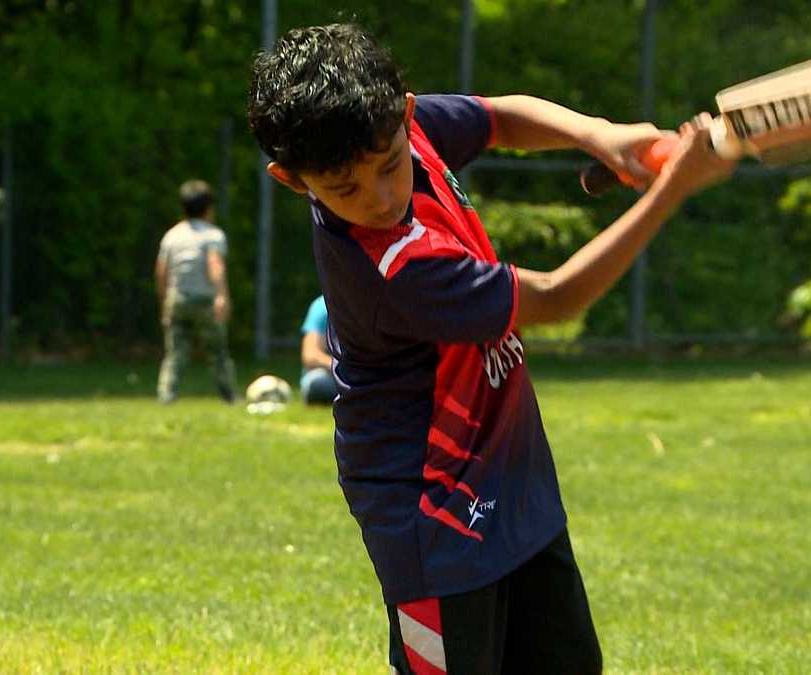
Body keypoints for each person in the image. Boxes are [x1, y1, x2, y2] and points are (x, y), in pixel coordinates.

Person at [248, 23, 736, 673]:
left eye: (391, 166)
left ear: (408, 114)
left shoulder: (402, 129)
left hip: (515, 486)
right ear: (291, 179)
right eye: (345, 190)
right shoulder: (392, 268)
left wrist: (600, 134)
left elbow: (499, 116)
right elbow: (557, 296)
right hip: (432, 525)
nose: (382, 198)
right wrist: (673, 188)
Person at [155, 179, 237, 404]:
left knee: (175, 352)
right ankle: (228, 395)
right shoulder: (212, 235)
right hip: (204, 300)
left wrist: (164, 303)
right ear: (209, 209)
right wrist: (221, 295)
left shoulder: (172, 236)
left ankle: (166, 394)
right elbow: (215, 264)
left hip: (177, 299)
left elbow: (161, 272)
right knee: (217, 352)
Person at [299, 295, 337, 405]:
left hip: (364, 374)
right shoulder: (323, 305)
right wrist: (342, 367)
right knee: (316, 382)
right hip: (331, 375)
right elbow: (310, 355)